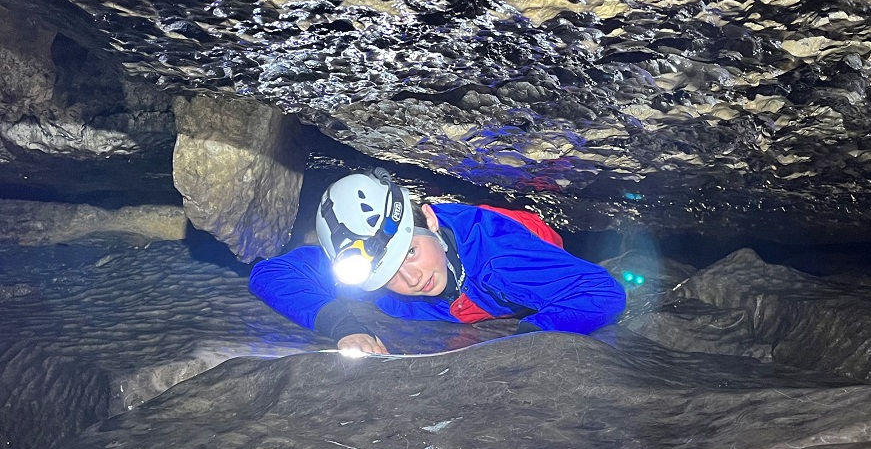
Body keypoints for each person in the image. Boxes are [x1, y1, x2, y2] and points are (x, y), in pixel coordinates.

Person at [249, 168, 626, 354]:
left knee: (549, 262)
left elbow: (602, 291)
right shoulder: (368, 272)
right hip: (473, 276)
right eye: (388, 271)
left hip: (525, 238)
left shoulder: (499, 260)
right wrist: (341, 325)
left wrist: (530, 336)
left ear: (429, 219)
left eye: (409, 252)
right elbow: (271, 271)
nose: (412, 279)